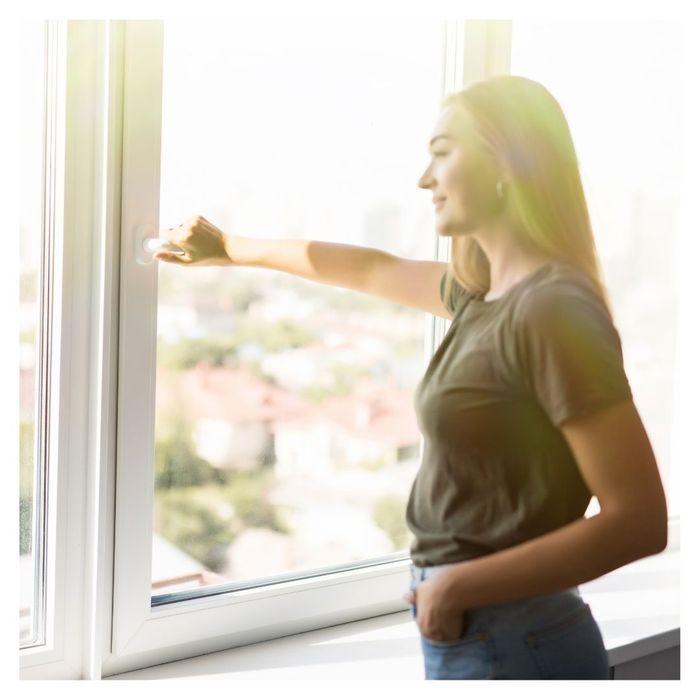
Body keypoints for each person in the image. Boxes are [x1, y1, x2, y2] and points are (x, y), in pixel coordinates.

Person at [154, 75, 668, 680]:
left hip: (515, 640)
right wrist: (228, 247)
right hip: (485, 632)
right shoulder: (486, 298)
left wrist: (457, 587)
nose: (425, 179)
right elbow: (372, 269)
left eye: (443, 152)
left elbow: (638, 520)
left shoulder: (551, 311)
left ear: (506, 160)